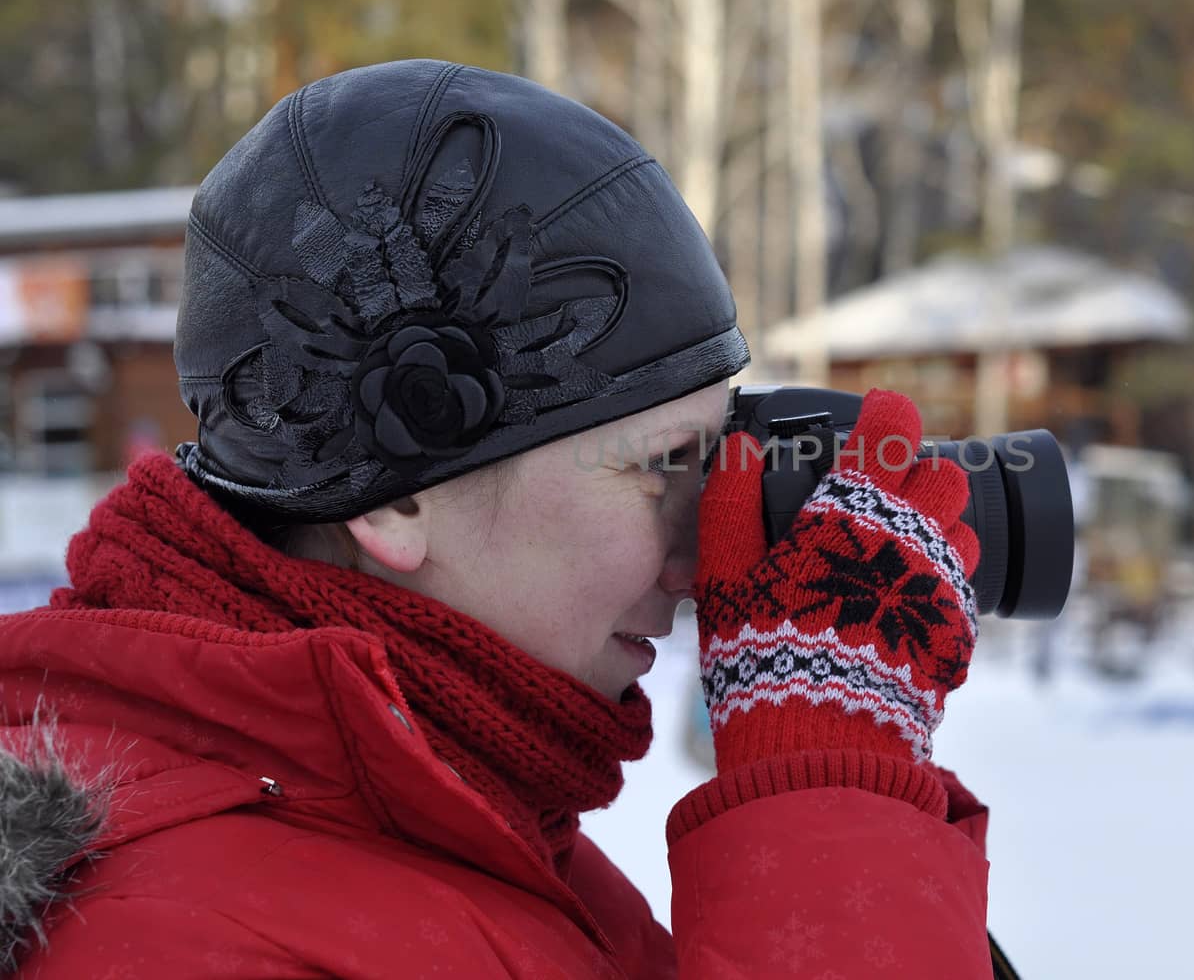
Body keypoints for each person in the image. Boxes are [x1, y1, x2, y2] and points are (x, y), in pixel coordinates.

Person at [0, 60, 994, 978]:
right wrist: (824, 790)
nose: (702, 562)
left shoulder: (449, 812)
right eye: (664, 466)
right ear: (396, 496)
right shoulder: (175, 939)